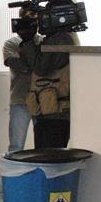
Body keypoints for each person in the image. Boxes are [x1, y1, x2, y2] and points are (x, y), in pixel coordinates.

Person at [24, 13, 79, 149]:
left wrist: (28, 40)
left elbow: (40, 68)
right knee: (47, 152)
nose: (38, 22)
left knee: (48, 154)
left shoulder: (61, 39)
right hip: (49, 109)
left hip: (55, 112)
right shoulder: (62, 37)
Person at [2, 13, 41, 153]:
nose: (29, 21)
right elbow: (22, 66)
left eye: (32, 17)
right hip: (20, 99)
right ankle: (14, 168)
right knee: (16, 147)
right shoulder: (11, 43)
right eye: (25, 17)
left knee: (43, 147)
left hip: (42, 100)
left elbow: (41, 67)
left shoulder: (43, 41)